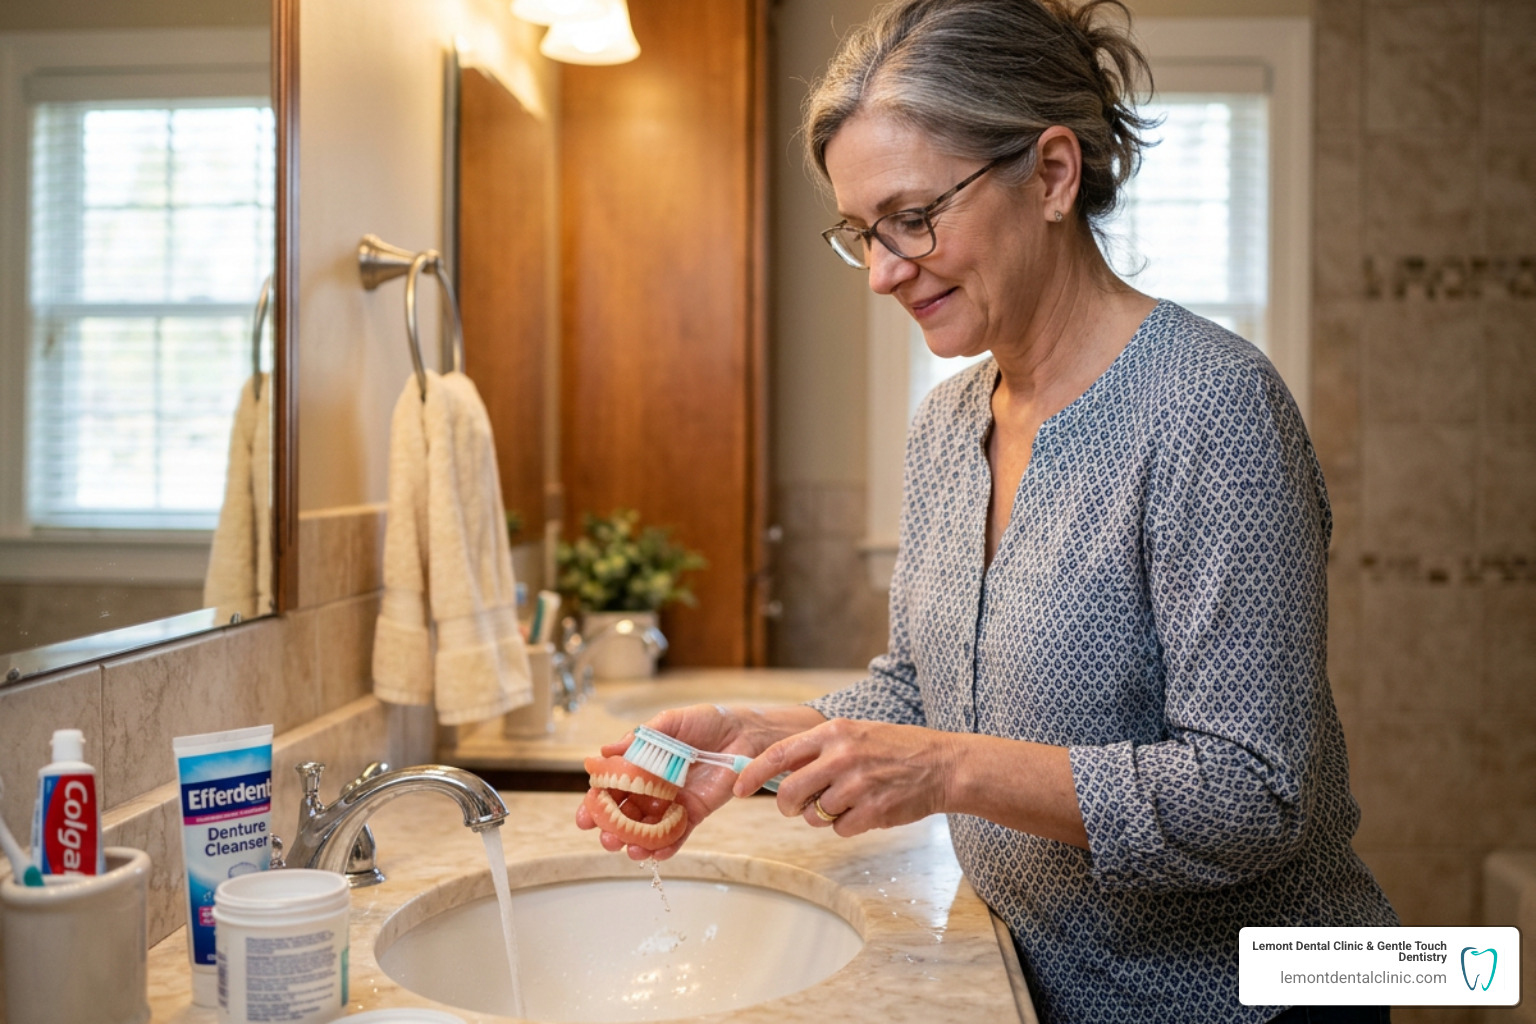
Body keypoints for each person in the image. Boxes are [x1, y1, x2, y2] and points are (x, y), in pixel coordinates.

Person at [577, 1, 1398, 1021]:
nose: (881, 272)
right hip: (1035, 983)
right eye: (862, 233)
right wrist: (752, 739)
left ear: (1052, 174)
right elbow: (926, 693)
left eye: (913, 218)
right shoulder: (948, 426)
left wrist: (946, 771)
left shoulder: (1209, 408)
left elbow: (1251, 795)